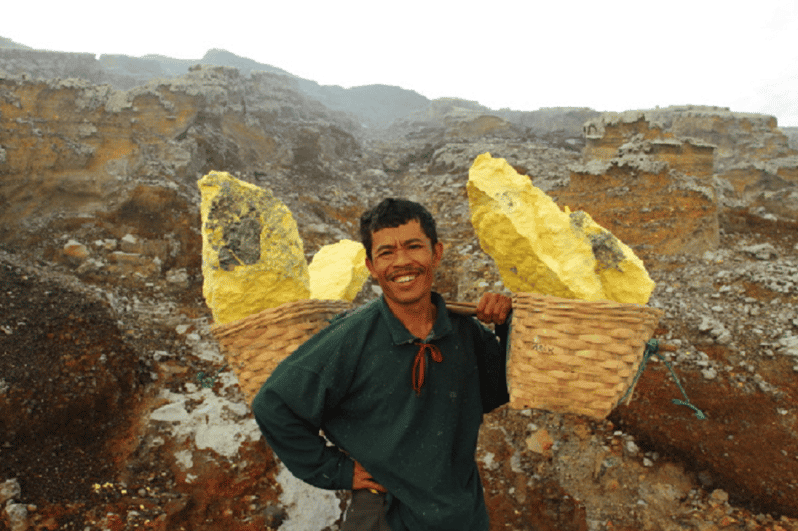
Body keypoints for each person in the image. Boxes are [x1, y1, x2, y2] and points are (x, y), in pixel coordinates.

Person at [252, 198, 512, 531]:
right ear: (372, 267)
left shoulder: (465, 330)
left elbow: (500, 390)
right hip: (386, 517)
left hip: (460, 514)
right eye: (386, 252)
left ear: (437, 252)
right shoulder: (349, 339)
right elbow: (273, 405)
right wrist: (340, 471)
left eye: (414, 246)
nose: (402, 262)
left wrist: (505, 325)